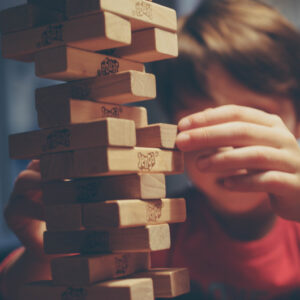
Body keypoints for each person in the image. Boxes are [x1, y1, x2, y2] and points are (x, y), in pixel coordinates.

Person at [2, 0, 300, 299]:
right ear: (171, 130)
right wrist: (43, 256)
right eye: (201, 122)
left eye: (254, 120)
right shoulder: (153, 228)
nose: (228, 146)